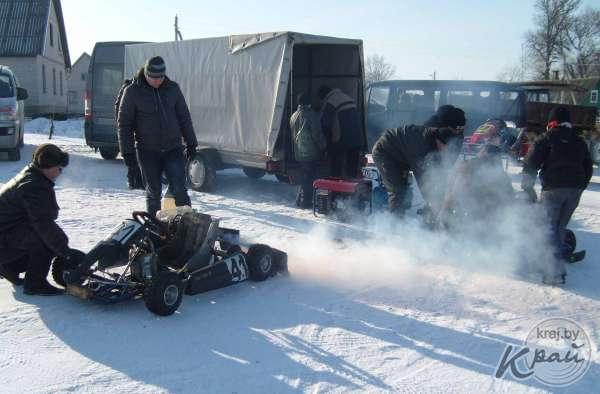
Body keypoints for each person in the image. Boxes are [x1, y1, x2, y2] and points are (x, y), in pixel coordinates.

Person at [117, 56, 198, 217]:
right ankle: (155, 229)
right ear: (145, 74)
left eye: (160, 77)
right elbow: (124, 125)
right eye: (153, 77)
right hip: (147, 151)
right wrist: (128, 155)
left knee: (180, 189)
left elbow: (184, 117)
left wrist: (191, 143)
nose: (157, 81)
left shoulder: (173, 89)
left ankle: (189, 224)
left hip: (173, 148)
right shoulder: (132, 92)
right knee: (153, 192)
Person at [522, 107, 593, 285]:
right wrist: (579, 187)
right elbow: (588, 168)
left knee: (548, 228)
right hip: (575, 190)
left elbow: (530, 164)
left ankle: (553, 272)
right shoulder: (579, 141)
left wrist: (528, 188)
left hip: (553, 188)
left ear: (552, 122)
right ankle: (551, 262)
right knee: (559, 228)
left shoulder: (546, 139)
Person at [0, 144, 83, 295]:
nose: (60, 172)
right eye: (59, 168)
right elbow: (43, 224)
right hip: (4, 236)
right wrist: (65, 251)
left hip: (7, 232)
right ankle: (35, 284)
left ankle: (10, 267)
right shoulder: (35, 186)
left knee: (47, 237)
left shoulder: (32, 174)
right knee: (45, 240)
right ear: (48, 166)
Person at [371, 105, 466, 218]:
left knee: (407, 190)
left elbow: (442, 170)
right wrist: (434, 203)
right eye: (443, 147)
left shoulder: (447, 137)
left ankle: (421, 217)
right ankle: (395, 224)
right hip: (385, 151)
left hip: (403, 153)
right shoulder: (421, 145)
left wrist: (445, 195)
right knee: (398, 190)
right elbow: (423, 177)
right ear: (438, 141)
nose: (445, 151)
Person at [438, 122, 513, 230]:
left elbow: (451, 194)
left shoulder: (466, 166)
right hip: (472, 219)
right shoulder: (468, 168)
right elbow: (452, 192)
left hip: (474, 220)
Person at [317, 85, 365, 178]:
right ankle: (352, 190)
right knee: (352, 169)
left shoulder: (331, 101)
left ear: (323, 96)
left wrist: (327, 144)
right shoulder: (348, 98)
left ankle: (336, 190)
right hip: (357, 139)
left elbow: (325, 124)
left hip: (343, 140)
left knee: (335, 166)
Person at [290, 92, 327, 208]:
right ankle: (306, 202)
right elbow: (317, 134)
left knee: (305, 176)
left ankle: (302, 201)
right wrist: (324, 146)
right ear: (309, 103)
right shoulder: (311, 115)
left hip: (299, 152)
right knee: (310, 177)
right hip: (310, 152)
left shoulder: (293, 116)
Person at [114, 76, 144, 190]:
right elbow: (119, 109)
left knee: (133, 157)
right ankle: (134, 181)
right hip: (129, 128)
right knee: (131, 156)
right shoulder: (129, 89)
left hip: (132, 128)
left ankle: (135, 181)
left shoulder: (129, 88)